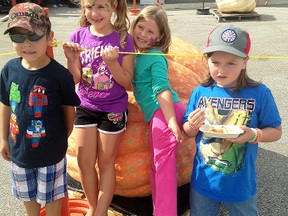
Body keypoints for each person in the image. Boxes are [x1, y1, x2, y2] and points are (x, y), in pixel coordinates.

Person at [182, 24, 282, 216]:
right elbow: (187, 131)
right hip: (203, 181)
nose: (221, 70)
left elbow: (276, 132)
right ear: (207, 61)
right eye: (216, 62)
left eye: (231, 63)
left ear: (245, 62)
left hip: (241, 185)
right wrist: (192, 124)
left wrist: (254, 134)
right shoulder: (200, 92)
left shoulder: (260, 94)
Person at [0, 2, 80, 216]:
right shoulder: (9, 71)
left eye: (34, 36)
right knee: (28, 202)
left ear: (49, 35)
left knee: (52, 201)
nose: (27, 44)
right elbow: (5, 104)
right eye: (18, 37)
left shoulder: (60, 75)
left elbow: (68, 112)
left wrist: (61, 139)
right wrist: (4, 139)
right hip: (20, 153)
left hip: (51, 153)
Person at [62, 0, 134, 215]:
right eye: (89, 6)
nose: (94, 12)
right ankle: (94, 208)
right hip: (85, 105)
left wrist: (112, 63)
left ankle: (101, 211)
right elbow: (75, 79)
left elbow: (126, 81)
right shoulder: (78, 36)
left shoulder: (123, 39)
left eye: (101, 6)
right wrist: (71, 60)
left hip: (113, 109)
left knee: (105, 163)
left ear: (113, 7)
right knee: (84, 163)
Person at [131, 5, 185, 216]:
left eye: (150, 31)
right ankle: (159, 210)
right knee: (157, 167)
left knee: (163, 170)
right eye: (140, 27)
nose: (143, 34)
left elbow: (161, 88)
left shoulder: (155, 56)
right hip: (159, 115)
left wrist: (171, 122)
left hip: (164, 113)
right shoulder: (139, 55)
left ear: (160, 36)